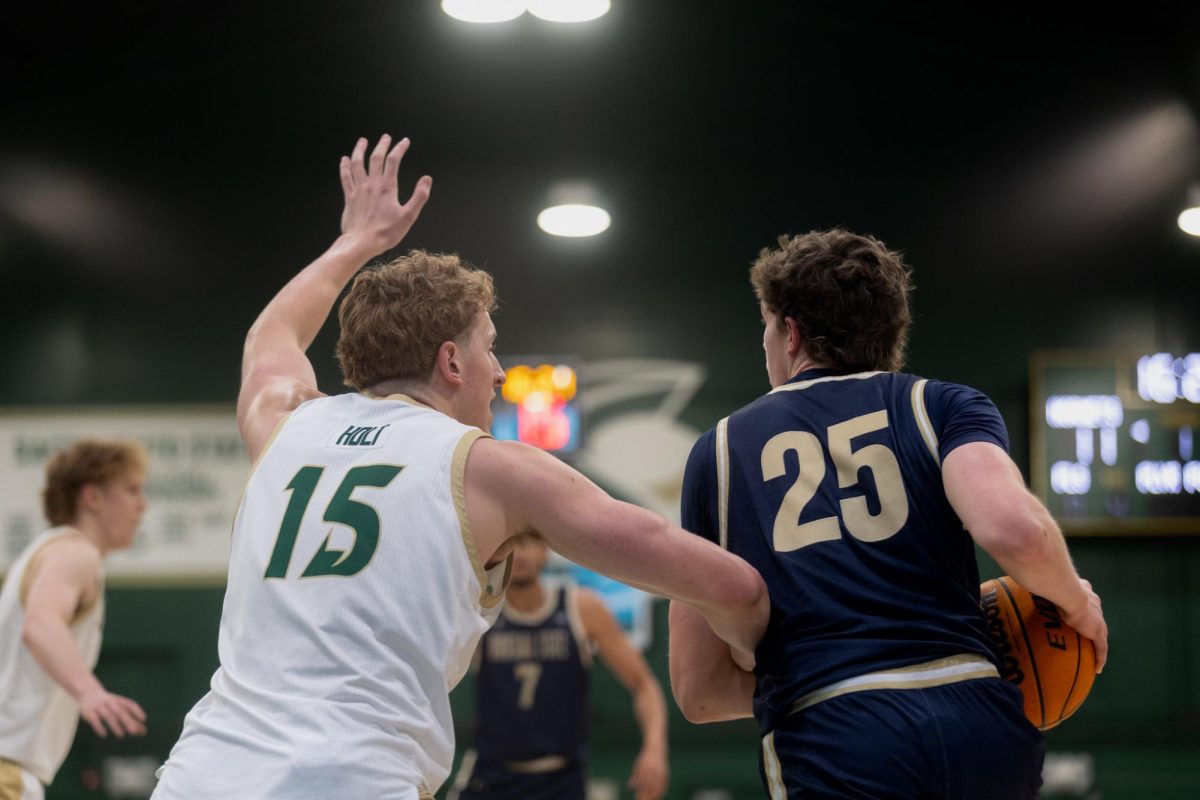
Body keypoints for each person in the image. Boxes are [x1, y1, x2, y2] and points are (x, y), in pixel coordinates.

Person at [150, 135, 767, 800]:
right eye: (490, 348)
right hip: (350, 778)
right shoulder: (491, 470)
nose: (499, 372)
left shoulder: (282, 425)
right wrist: (760, 640)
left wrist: (355, 241)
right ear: (450, 362)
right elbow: (713, 579)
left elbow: (268, 337)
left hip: (202, 774)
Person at [669, 230, 1109, 799]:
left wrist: (803, 671)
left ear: (791, 332)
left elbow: (698, 692)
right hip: (977, 715)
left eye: (767, 325)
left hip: (835, 729)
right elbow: (1014, 529)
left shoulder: (719, 452)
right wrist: (1077, 602)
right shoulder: (944, 404)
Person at [449, 541, 669, 800]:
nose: (520, 555)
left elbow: (644, 684)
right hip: (490, 775)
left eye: (528, 544)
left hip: (562, 779)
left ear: (545, 551)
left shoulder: (582, 608)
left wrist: (655, 749)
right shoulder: (480, 612)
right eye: (511, 545)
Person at [0, 439, 150, 800]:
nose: (142, 505)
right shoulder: (74, 552)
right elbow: (41, 624)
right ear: (93, 498)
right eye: (131, 490)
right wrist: (89, 692)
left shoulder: (44, 551)